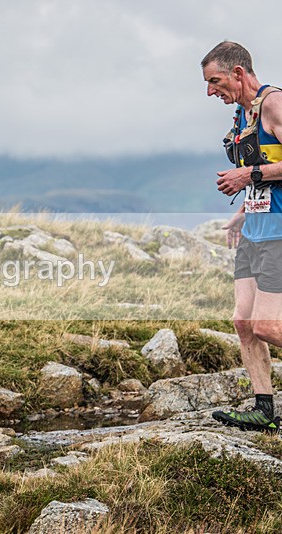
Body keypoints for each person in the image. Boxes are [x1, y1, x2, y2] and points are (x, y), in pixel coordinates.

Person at [203, 41, 282, 432]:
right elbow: (264, 172)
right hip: (255, 229)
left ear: (238, 73)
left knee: (268, 326)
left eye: (215, 81)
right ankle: (264, 410)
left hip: (279, 233)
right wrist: (241, 213)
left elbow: (260, 171)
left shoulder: (273, 105)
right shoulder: (242, 114)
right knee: (243, 322)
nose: (209, 91)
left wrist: (246, 176)